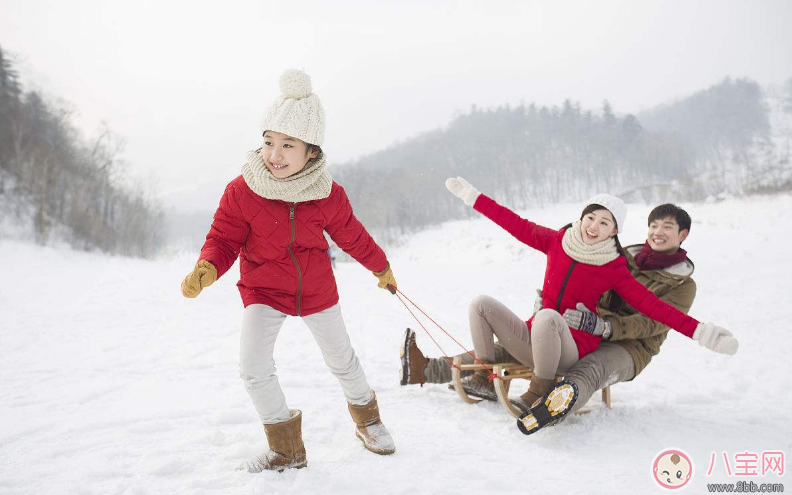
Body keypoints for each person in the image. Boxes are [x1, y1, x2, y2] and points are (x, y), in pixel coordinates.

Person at [181, 70, 398, 472]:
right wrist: (208, 266)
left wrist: (380, 266)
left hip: (316, 290)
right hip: (263, 289)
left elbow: (352, 235)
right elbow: (224, 238)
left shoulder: (326, 193)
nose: (274, 155)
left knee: (342, 360)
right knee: (253, 367)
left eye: (287, 145)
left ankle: (369, 421)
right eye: (268, 142)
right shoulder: (242, 189)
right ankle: (286, 448)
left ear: (311, 152)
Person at [410, 177, 737, 418]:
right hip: (546, 332)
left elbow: (656, 311)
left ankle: (542, 393)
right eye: (591, 217)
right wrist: (474, 197)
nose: (594, 226)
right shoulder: (559, 241)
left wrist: (702, 332)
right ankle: (476, 374)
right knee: (481, 304)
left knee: (554, 323)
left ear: (614, 231)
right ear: (581, 217)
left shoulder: (616, 266)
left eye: (604, 222)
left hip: (586, 346)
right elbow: (515, 223)